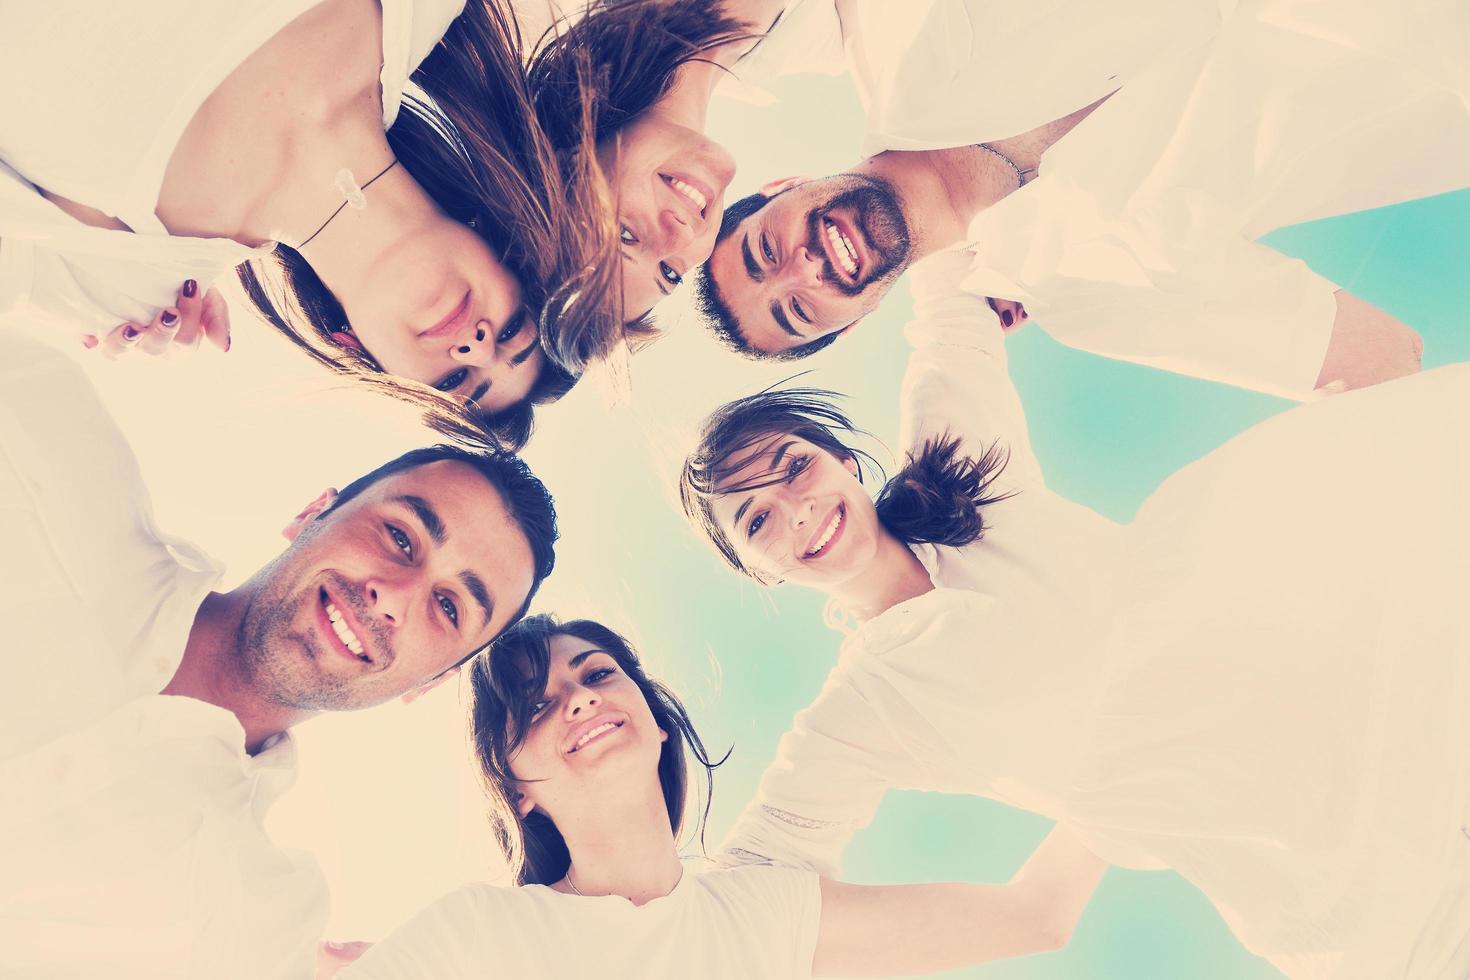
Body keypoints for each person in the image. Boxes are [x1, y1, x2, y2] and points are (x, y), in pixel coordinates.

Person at [678, 248, 1470, 978]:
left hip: (1399, 697)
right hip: (1327, 870)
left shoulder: (959, 468)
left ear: (844, 460)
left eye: (796, 468)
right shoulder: (861, 713)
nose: (797, 510)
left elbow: (946, 285)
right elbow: (751, 889)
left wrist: (993, 272)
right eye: (756, 523)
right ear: (758, 573)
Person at [0, 327, 559, 978]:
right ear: (313, 512)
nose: (393, 598)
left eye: (447, 608)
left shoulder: (261, 924)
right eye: (401, 538)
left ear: (431, 682)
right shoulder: (45, 451)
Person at [695, 0, 1468, 399]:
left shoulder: (899, 31)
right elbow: (1378, 365)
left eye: (766, 247)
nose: (803, 270)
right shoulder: (1090, 296)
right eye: (797, 311)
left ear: (781, 187)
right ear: (856, 320)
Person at [337, 614, 1106, 979]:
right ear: (517, 791)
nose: (576, 698)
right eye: (534, 705)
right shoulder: (482, 935)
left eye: (597, 673)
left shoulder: (762, 919)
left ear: (657, 724)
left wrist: (1151, 742)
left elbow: (1036, 915)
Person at [0, 0, 606, 448]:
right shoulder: (418, 13)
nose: (475, 345)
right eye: (510, 332)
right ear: (500, 243)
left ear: (355, 351)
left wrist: (100, 292)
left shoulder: (122, 277)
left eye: (456, 379)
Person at [524, 0, 785, 372]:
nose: (678, 238)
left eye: (627, 235)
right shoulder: (794, 56)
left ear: (574, 163)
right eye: (669, 273)